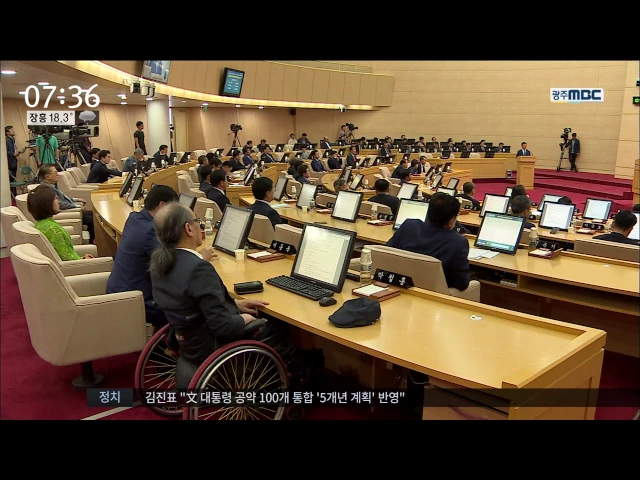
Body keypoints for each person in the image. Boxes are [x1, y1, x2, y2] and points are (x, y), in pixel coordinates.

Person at [149, 202, 269, 366]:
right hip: (212, 346)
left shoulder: (159, 263)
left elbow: (189, 303)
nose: (200, 226)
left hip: (189, 343)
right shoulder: (199, 269)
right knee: (276, 329)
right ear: (189, 229)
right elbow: (223, 326)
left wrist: (234, 303)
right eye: (197, 221)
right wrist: (246, 318)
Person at [106, 185, 179, 329]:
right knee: (187, 308)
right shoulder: (150, 230)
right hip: (136, 300)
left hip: (118, 291)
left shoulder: (134, 218)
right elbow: (170, 264)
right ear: (162, 205)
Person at [387, 192, 470, 291]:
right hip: (435, 293)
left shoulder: (409, 225)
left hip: (400, 285)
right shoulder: (458, 242)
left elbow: (387, 252)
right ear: (451, 221)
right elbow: (461, 283)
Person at [27, 185, 94, 261]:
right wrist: (84, 260)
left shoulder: (41, 224)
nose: (59, 201)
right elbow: (67, 258)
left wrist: (82, 258)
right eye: (56, 198)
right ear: (47, 203)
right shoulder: (52, 229)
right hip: (75, 266)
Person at [38, 164, 95, 243]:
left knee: (94, 215)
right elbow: (61, 204)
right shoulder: (47, 189)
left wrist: (75, 199)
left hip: (69, 208)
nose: (58, 174)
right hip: (65, 213)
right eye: (55, 173)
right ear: (48, 176)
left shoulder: (52, 185)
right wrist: (76, 206)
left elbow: (63, 198)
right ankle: (92, 242)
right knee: (93, 220)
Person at [5, 125, 21, 196]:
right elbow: (4, 151)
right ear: (7, 132)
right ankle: (12, 195)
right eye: (12, 130)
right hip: (9, 162)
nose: (14, 131)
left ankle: (15, 194)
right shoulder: (6, 140)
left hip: (14, 161)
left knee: (14, 178)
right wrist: (13, 154)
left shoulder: (13, 139)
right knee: (11, 180)